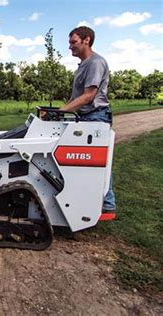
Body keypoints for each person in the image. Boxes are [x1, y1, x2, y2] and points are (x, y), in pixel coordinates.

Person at [60, 26, 116, 213]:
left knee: (96, 162)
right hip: (85, 116)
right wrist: (61, 110)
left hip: (95, 116)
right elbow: (77, 97)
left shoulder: (95, 63)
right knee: (79, 161)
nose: (70, 47)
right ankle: (84, 200)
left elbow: (88, 96)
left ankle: (107, 204)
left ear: (87, 40)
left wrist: (61, 112)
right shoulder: (84, 65)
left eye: (73, 42)